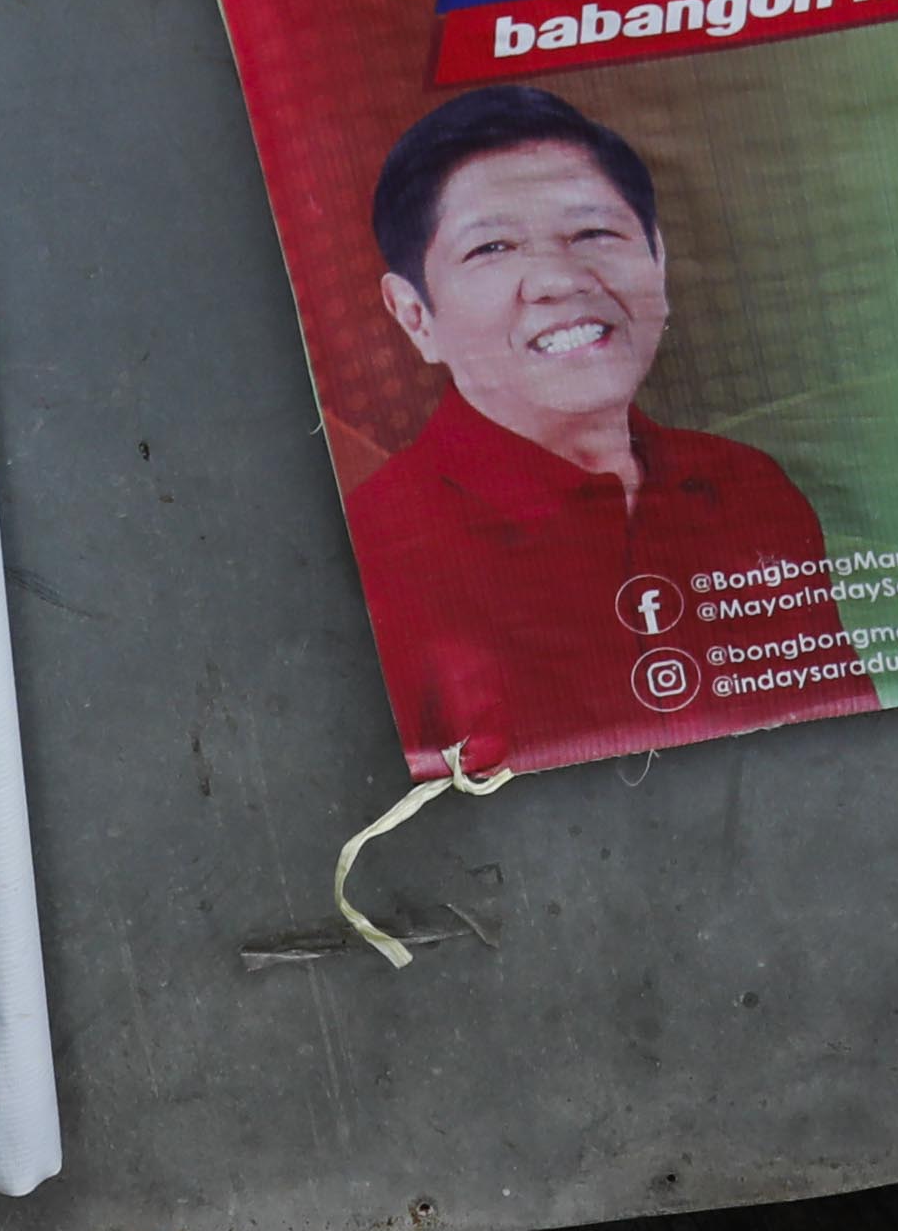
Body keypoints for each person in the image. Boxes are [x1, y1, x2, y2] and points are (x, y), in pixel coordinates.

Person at [334, 86, 842, 771]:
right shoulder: (376, 554)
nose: (557, 279)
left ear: (658, 260)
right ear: (416, 317)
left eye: (594, 233)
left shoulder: (750, 488)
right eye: (491, 247)